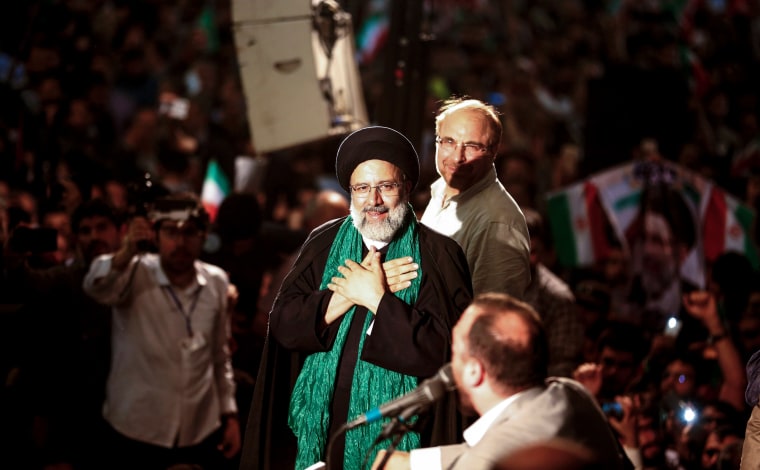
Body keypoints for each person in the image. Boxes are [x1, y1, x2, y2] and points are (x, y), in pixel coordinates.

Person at [239, 126, 474, 470]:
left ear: (407, 189)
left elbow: (446, 353)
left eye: (386, 186)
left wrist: (378, 299)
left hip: (402, 444)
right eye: (362, 188)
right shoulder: (323, 241)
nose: (373, 200)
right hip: (321, 439)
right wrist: (346, 295)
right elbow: (284, 326)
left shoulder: (440, 256)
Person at [372, 292, 629, 470]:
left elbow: (487, 455)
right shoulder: (572, 394)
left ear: (475, 372)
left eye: (457, 351)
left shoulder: (493, 459)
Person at [82, 192, 240, 470]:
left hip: (198, 429)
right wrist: (127, 249)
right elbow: (95, 285)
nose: (180, 242)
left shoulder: (216, 281)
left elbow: (219, 356)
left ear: (203, 236)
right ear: (156, 235)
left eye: (189, 232)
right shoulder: (135, 271)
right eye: (170, 232)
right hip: (135, 430)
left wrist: (230, 415)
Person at [1, 197, 125, 469]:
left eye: (102, 227)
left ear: (121, 231)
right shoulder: (69, 279)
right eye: (85, 230)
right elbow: (28, 283)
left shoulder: (143, 276)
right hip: (81, 419)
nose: (94, 237)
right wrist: (13, 260)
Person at [420, 97, 530, 298]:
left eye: (472, 146)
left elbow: (493, 320)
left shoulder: (498, 223)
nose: (457, 157)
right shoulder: (441, 191)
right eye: (449, 141)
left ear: (495, 151)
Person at [521, 208, 583, 377]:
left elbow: (562, 363)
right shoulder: (485, 282)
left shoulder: (557, 296)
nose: (525, 259)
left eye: (532, 252)